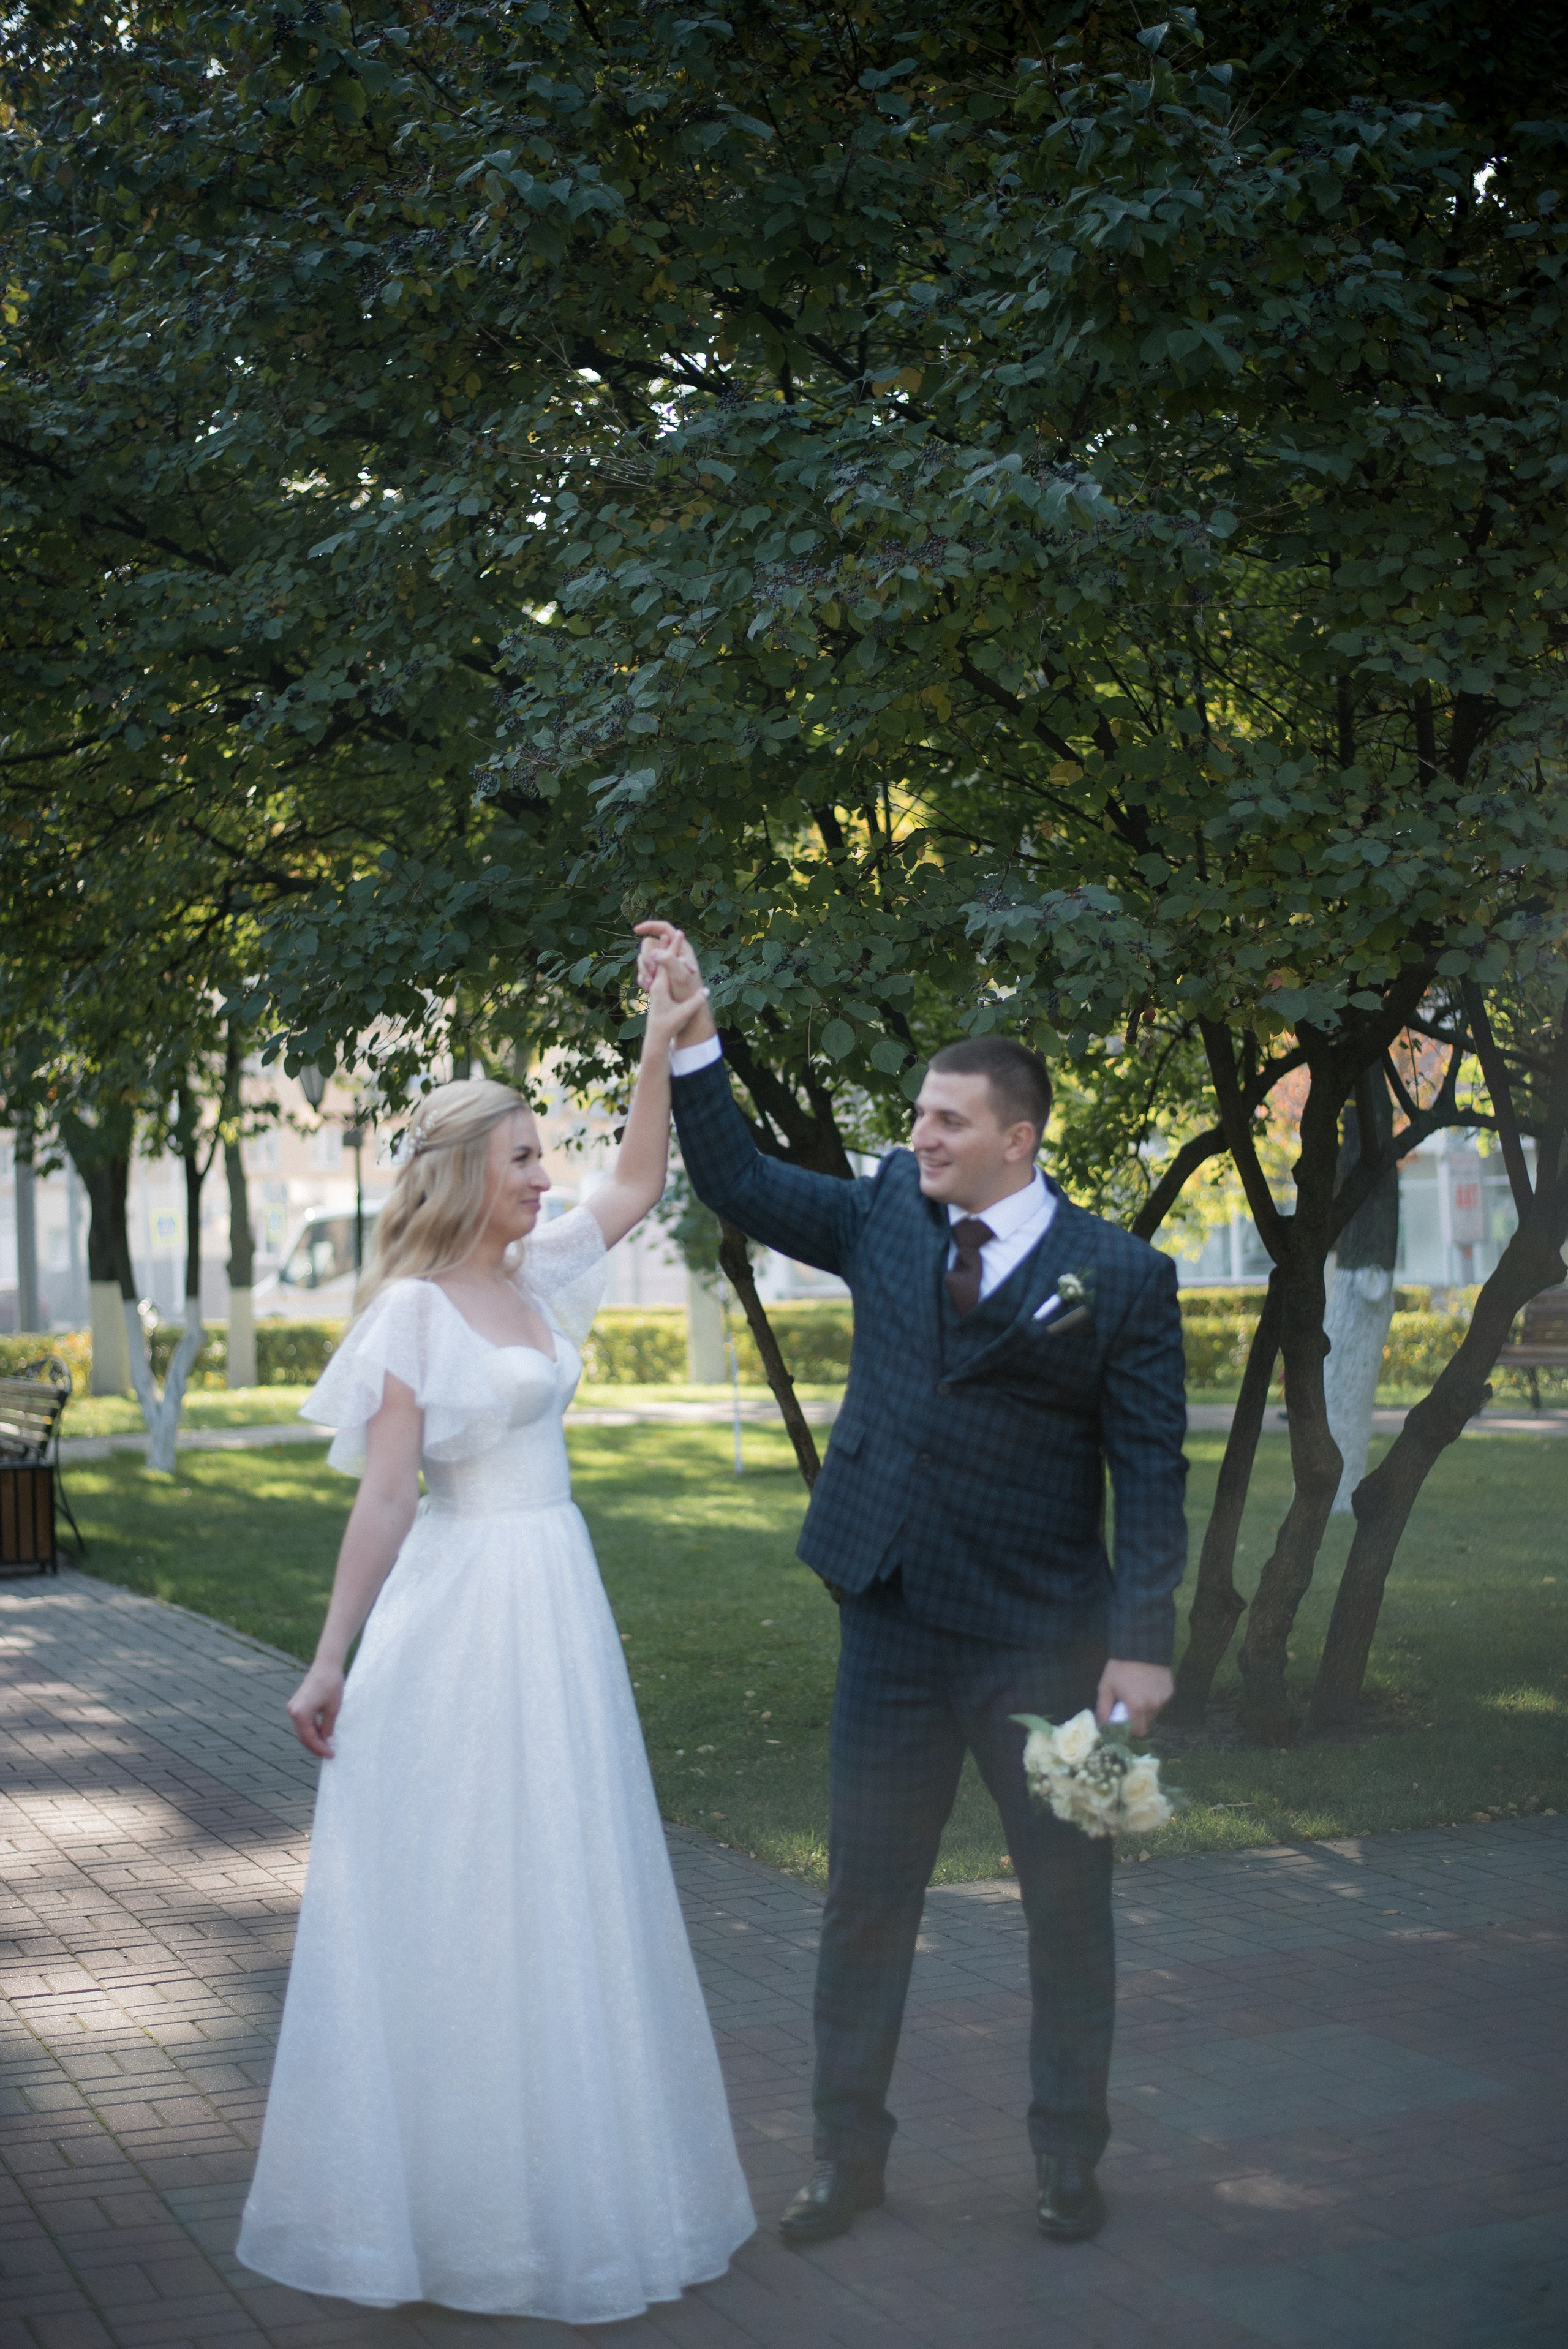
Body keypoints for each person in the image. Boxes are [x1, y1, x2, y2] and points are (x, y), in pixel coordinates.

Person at [635, 920, 1188, 2248]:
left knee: (1067, 1907)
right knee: (864, 1901)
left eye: (947, 1121)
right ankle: (844, 2159)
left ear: (1019, 1135)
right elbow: (740, 1180)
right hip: (885, 1625)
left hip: (1042, 1648)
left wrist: (1140, 1645)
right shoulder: (885, 1209)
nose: (922, 1137)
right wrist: (695, 1026)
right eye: (919, 1118)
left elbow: (1149, 1469)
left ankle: (1066, 2156)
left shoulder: (1118, 1275)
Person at [236, 962, 755, 2324]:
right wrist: (329, 1655)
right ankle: (448, 2207)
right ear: (468, 1166)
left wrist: (661, 1035)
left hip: (554, 1600)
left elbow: (638, 1184)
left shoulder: (537, 1274)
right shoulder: (414, 1311)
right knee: (465, 1885)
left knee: (565, 1876)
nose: (546, 1172)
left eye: (543, 1152)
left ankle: (565, 2182)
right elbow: (388, 1495)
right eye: (525, 1154)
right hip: (462, 1616)